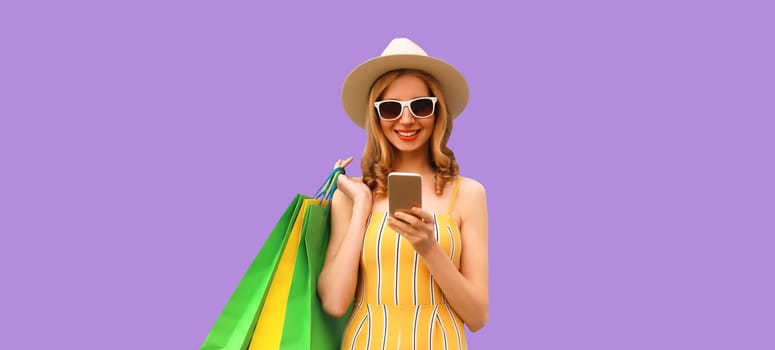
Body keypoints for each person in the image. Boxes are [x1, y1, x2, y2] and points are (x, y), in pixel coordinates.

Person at [317, 37, 489, 349]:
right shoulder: (352, 194)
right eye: (392, 108)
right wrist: (361, 208)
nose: (406, 119)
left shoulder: (468, 194)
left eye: (421, 106)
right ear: (376, 115)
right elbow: (334, 303)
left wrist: (429, 248)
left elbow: (477, 317)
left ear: (437, 112)